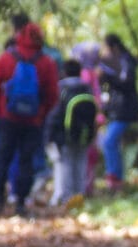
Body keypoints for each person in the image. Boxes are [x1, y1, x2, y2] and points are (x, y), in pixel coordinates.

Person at [0, 21, 59, 216]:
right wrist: (41, 113)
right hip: (33, 122)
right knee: (26, 162)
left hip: (7, 119)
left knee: (2, 159)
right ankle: (20, 204)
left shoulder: (6, 59)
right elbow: (52, 94)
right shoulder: (46, 63)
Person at [45, 59, 94, 206]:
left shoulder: (61, 89)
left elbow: (55, 114)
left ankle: (67, 199)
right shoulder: (87, 88)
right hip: (85, 135)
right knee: (81, 165)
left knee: (66, 166)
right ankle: (80, 196)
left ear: (64, 72)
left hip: (65, 135)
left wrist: (49, 136)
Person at [98, 33, 138, 191]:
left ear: (114, 48)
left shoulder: (126, 62)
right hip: (116, 110)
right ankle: (116, 178)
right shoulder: (112, 64)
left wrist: (109, 78)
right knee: (112, 143)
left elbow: (126, 84)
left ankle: (114, 177)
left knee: (109, 142)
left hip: (125, 110)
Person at [71, 40, 104, 195]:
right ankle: (85, 187)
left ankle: (83, 188)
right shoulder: (91, 75)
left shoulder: (86, 75)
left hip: (85, 120)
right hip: (91, 119)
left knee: (86, 153)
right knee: (89, 153)